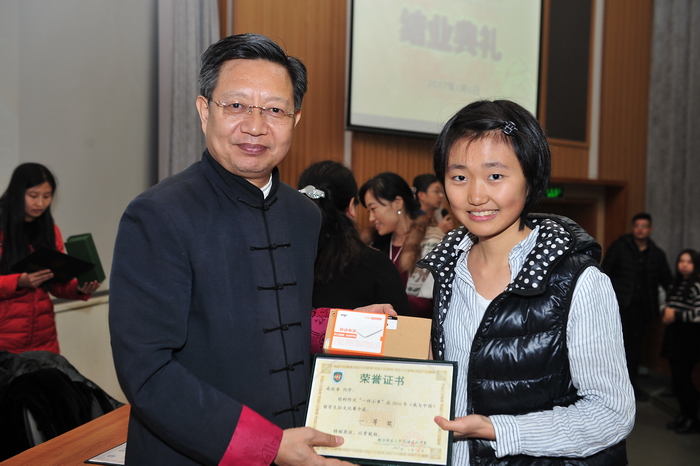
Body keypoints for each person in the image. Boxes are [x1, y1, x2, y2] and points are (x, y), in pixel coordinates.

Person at [109, 34, 384, 465]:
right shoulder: (158, 214)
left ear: (295, 119)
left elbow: (264, 321)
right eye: (236, 105)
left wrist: (342, 329)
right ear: (205, 111)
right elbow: (147, 371)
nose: (255, 126)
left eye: (274, 110)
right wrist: (267, 446)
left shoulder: (303, 214)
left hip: (295, 445)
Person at [419, 99, 634, 464]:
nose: (475, 196)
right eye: (459, 177)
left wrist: (500, 430)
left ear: (531, 179)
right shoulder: (447, 269)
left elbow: (611, 413)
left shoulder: (578, 282)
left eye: (495, 176)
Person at [298, 161, 411, 353]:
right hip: (354, 370)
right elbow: (406, 338)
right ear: (351, 206)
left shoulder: (283, 259)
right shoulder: (375, 263)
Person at [0, 163, 100, 354]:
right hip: (5, 342)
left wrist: (78, 288)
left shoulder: (50, 231)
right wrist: (19, 281)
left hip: (44, 339)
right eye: (33, 195)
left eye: (47, 196)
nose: (40, 203)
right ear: (17, 193)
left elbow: (55, 283)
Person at [602, 212, 673, 400]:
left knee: (635, 350)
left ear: (650, 229)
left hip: (642, 310)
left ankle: (631, 387)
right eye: (637, 226)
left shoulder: (656, 254)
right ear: (633, 228)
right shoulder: (620, 247)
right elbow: (604, 273)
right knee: (615, 347)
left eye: (644, 226)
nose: (640, 229)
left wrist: (673, 303)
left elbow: (667, 280)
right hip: (619, 307)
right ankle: (611, 387)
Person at [359, 172, 444, 318]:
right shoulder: (374, 244)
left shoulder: (432, 241)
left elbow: (431, 302)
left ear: (398, 202)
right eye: (368, 211)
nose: (371, 218)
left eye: (373, 209)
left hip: (417, 326)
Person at [660, 249, 700, 434]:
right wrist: (665, 311)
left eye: (689, 262)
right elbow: (666, 304)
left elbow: (698, 314)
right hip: (673, 336)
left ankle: (692, 418)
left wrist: (675, 315)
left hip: (689, 337)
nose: (684, 265)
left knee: (685, 380)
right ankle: (683, 415)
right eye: (681, 261)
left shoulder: (696, 285)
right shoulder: (675, 284)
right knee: (676, 380)